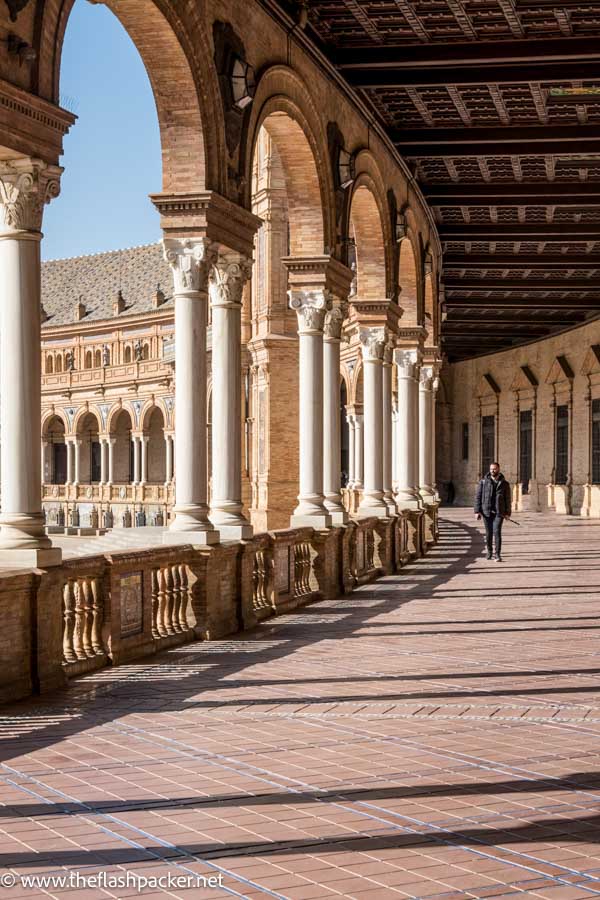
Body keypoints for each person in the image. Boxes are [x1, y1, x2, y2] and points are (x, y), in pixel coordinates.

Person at [474, 461, 511, 561]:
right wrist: (477, 511)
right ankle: (489, 552)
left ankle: (497, 554)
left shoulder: (504, 484)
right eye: (491, 469)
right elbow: (478, 497)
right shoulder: (483, 482)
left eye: (494, 469)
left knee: (497, 532)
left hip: (499, 512)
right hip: (486, 511)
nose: (492, 471)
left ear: (498, 469)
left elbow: (508, 499)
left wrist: (508, 513)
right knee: (488, 533)